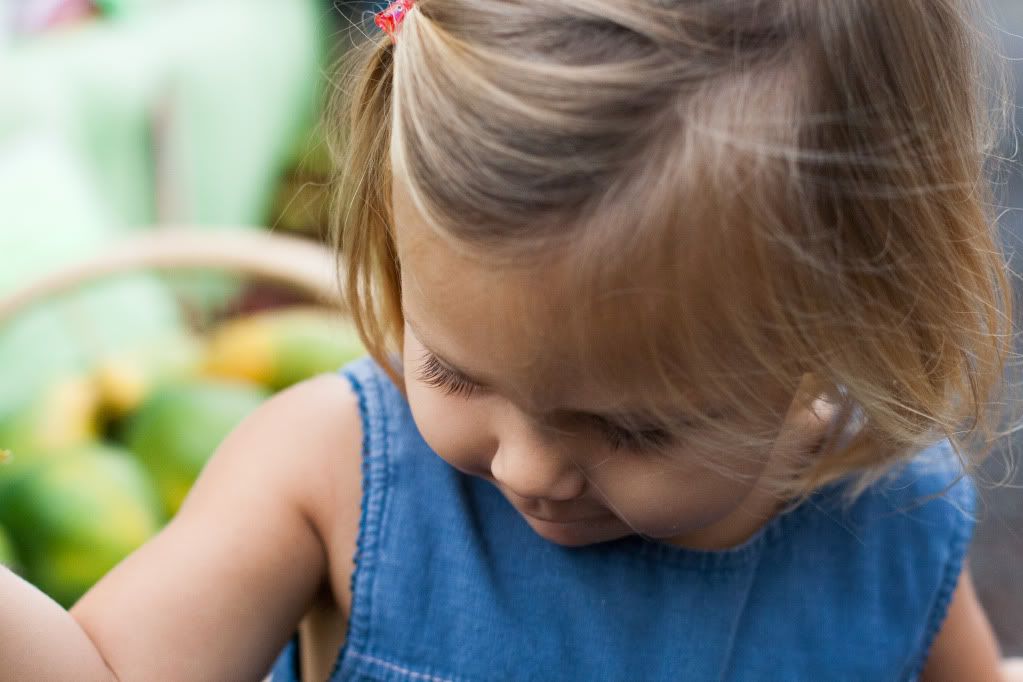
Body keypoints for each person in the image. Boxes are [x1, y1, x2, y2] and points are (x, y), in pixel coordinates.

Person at [2, 0, 1021, 680]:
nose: (529, 465)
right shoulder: (331, 467)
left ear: (844, 321)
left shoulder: (886, 514)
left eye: (633, 427)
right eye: (451, 367)